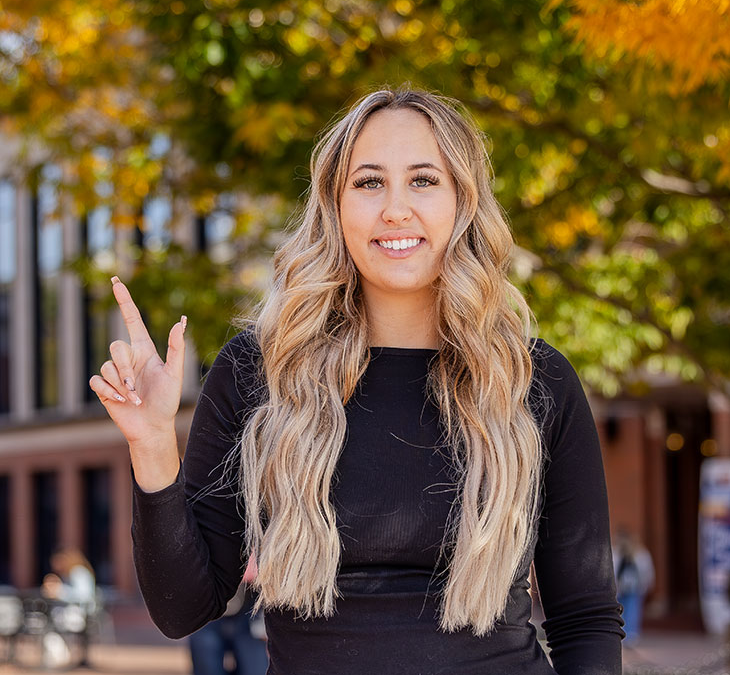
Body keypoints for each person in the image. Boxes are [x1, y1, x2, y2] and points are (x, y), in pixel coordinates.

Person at [89, 87, 624, 674]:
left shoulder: (534, 381)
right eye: (369, 182)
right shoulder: (259, 373)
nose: (395, 208)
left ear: (462, 202)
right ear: (335, 207)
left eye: (423, 180)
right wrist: (152, 445)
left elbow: (586, 619)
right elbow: (182, 609)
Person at [612, 529, 654, 645]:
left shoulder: (636, 553)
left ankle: (627, 633)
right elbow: (647, 570)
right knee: (632, 610)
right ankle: (631, 633)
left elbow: (645, 570)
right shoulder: (639, 553)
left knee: (626, 610)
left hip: (628, 587)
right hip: (632, 587)